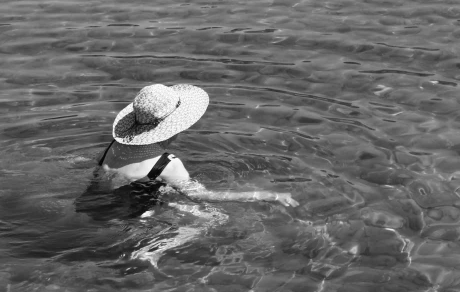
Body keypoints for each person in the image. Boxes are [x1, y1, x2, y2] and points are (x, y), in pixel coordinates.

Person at [78, 83, 298, 221]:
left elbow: (104, 172)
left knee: (168, 195)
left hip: (98, 204)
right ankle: (154, 246)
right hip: (132, 216)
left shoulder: (116, 144)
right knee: (215, 219)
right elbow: (201, 195)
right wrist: (264, 195)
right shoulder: (166, 163)